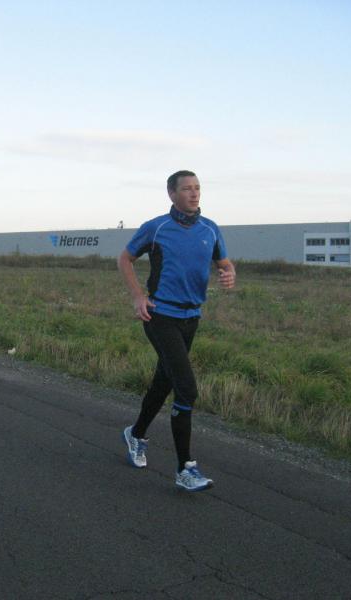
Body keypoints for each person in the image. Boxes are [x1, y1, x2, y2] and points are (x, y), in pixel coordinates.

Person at [118, 170, 236, 492]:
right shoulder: (156, 228)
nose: (194, 194)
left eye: (197, 188)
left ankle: (136, 434)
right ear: (172, 194)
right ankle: (185, 468)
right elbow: (125, 259)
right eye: (187, 189)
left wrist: (229, 273)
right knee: (186, 389)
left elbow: (224, 263)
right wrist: (137, 296)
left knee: (165, 380)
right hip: (159, 316)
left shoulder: (210, 229)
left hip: (191, 318)